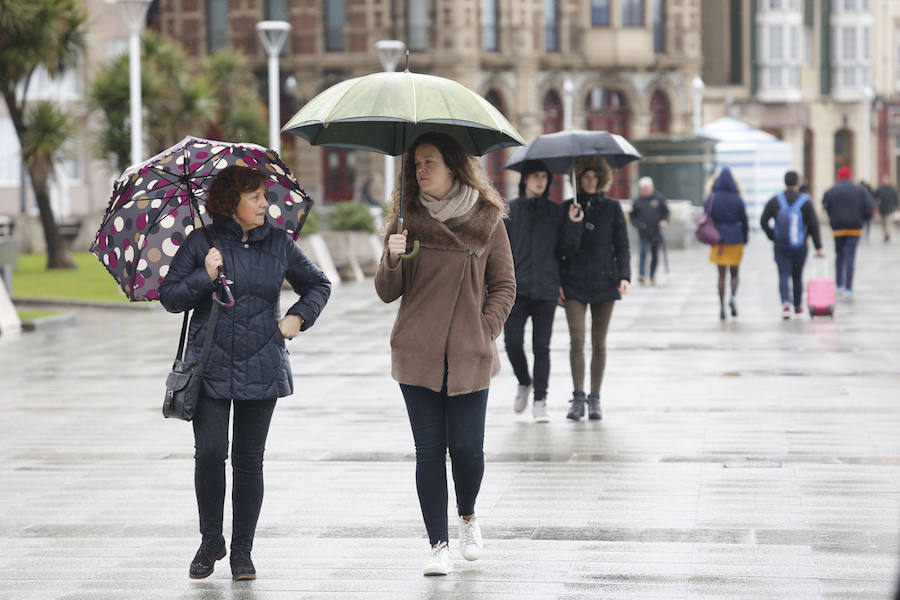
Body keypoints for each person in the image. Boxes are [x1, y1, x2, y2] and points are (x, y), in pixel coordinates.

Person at [159, 166, 331, 581]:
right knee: (211, 453)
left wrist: (298, 318)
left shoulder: (279, 243)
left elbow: (318, 285)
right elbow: (170, 297)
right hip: (210, 366)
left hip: (262, 363)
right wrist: (207, 273)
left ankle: (241, 553)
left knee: (249, 461)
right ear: (230, 201)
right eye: (254, 196)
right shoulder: (203, 242)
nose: (263, 204)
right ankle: (210, 540)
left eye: (263, 196)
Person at [374, 132, 516, 576]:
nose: (420, 170)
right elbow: (386, 292)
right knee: (429, 451)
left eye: (429, 161)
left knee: (469, 450)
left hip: (470, 354)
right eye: (416, 163)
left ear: (453, 166)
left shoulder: (487, 219)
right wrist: (392, 257)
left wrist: (484, 330)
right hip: (417, 354)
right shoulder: (406, 220)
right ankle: (438, 544)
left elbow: (505, 286)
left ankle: (469, 517)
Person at [503, 160, 582, 423]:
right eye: (535, 176)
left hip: (546, 288)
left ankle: (540, 401)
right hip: (515, 289)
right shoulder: (509, 211)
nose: (540, 181)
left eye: (544, 177)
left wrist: (573, 224)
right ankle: (524, 382)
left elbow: (566, 251)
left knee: (542, 347)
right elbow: (499, 251)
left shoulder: (556, 211)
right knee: (512, 343)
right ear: (525, 179)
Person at [559, 155, 630, 422]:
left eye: (594, 177)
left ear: (602, 179)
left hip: (604, 281)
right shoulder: (568, 208)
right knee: (577, 339)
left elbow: (622, 245)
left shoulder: (612, 208)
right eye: (585, 177)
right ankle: (578, 397)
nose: (590, 181)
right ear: (577, 179)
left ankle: (595, 398)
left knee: (599, 342)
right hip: (574, 282)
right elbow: (563, 249)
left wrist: (625, 276)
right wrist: (574, 224)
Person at [760, 170, 825, 319]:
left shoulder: (775, 200)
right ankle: (798, 307)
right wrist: (818, 246)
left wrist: (773, 236)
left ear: (784, 182)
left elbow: (763, 221)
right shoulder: (805, 201)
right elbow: (814, 224)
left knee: (783, 274)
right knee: (797, 275)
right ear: (798, 183)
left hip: (780, 245)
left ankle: (786, 305)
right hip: (800, 246)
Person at [704, 167, 748, 321]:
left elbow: (706, 216)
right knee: (735, 273)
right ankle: (733, 297)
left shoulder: (712, 197)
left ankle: (722, 306)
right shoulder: (738, 198)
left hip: (718, 240)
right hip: (736, 238)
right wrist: (745, 239)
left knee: (721, 275)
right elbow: (744, 220)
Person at [822, 167, 873, 296]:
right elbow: (869, 207)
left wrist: (832, 217)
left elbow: (825, 205)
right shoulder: (860, 191)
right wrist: (862, 220)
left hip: (838, 228)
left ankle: (839, 284)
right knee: (851, 256)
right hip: (854, 228)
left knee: (839, 255)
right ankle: (848, 287)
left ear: (838, 176)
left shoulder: (832, 190)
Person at [630, 176, 670, 285]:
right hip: (643, 231)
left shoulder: (659, 198)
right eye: (643, 189)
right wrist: (637, 225)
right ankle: (641, 274)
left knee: (654, 254)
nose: (645, 191)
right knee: (642, 253)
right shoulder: (637, 201)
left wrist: (664, 221)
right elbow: (632, 216)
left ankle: (652, 275)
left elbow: (666, 213)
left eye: (647, 188)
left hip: (656, 231)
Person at [873, 177, 898, 242]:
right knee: (883, 223)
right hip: (882, 209)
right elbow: (875, 196)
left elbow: (895, 198)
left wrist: (896, 205)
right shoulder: (880, 189)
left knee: (888, 222)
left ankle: (887, 234)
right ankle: (885, 234)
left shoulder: (892, 189)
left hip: (889, 209)